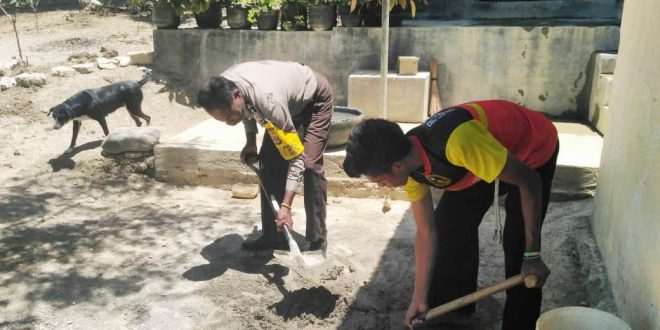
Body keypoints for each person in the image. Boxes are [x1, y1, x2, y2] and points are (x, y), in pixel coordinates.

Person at [342, 99, 559, 330]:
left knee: (520, 249)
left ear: (397, 166)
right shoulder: (410, 163)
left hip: (532, 153)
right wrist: (419, 298)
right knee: (449, 227)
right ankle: (454, 312)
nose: (380, 186)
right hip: (481, 159)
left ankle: (520, 325)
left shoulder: (457, 143)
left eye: (379, 180)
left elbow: (530, 181)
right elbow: (426, 232)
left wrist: (533, 255)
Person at [197, 60, 333, 252]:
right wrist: (251, 141)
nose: (229, 123)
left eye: (230, 117)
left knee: (310, 165)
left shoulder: (269, 102)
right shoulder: (226, 85)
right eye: (223, 120)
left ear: (237, 95)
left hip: (314, 100)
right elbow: (246, 110)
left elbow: (296, 158)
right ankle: (273, 236)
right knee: (267, 164)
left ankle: (318, 238)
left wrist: (286, 206)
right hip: (283, 103)